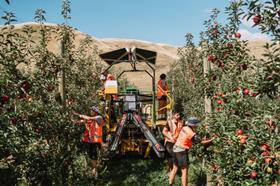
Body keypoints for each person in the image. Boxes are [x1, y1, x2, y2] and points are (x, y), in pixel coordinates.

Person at [169, 117, 214, 186]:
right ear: (193, 125)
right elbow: (201, 142)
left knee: (175, 168)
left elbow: (194, 139)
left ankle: (170, 184)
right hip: (181, 151)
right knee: (184, 171)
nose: (197, 126)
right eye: (196, 124)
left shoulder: (185, 128)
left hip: (175, 148)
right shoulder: (191, 132)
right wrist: (212, 139)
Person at [73, 106, 105, 178]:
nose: (90, 112)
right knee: (94, 155)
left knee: (94, 156)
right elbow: (82, 121)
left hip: (95, 141)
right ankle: (97, 167)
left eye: (92, 110)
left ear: (95, 111)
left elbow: (88, 118)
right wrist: (74, 121)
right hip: (93, 141)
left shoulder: (99, 117)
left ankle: (95, 171)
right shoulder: (92, 120)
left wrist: (79, 115)